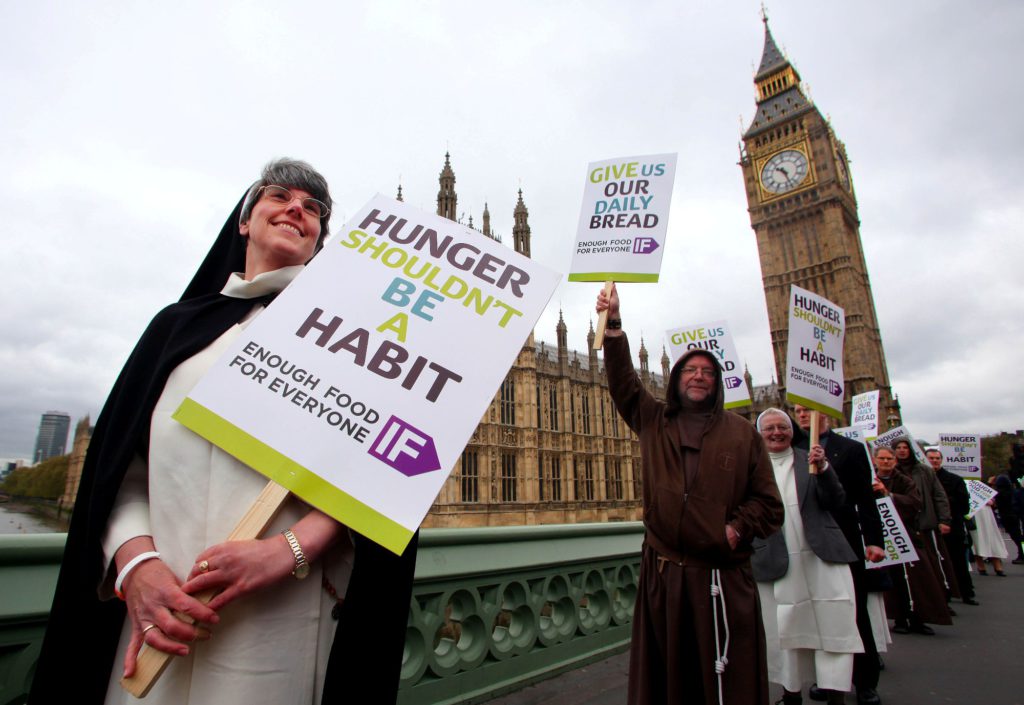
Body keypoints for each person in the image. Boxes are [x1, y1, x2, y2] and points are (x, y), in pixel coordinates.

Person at [31, 159, 418, 704]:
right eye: (279, 196)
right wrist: (136, 566)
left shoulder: (362, 340)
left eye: (313, 209)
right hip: (157, 615)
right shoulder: (178, 326)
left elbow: (382, 472)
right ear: (244, 220)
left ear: (322, 239)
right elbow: (120, 473)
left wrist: (290, 548)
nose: (295, 209)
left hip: (285, 615)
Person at [596, 284, 784, 705]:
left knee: (724, 676)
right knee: (668, 676)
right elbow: (623, 383)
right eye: (689, 371)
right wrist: (613, 324)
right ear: (675, 377)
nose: (698, 377)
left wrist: (736, 530)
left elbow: (769, 506)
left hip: (721, 573)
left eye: (707, 372)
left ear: (718, 383)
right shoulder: (655, 419)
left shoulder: (742, 433)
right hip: (665, 573)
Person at [752, 409, 862, 705]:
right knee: (784, 629)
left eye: (782, 427)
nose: (776, 433)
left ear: (792, 431)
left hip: (821, 558)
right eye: (769, 428)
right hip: (776, 560)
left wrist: (824, 468)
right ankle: (791, 693)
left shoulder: (810, 459)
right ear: (759, 434)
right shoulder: (750, 468)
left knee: (833, 625)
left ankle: (835, 693)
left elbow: (836, 500)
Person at [791, 405, 885, 705]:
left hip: (845, 538)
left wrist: (874, 540)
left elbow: (866, 500)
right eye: (798, 411)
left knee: (854, 611)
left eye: (808, 411)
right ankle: (827, 680)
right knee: (817, 614)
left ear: (827, 414)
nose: (803, 416)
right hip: (807, 541)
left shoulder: (851, 449)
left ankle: (865, 682)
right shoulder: (793, 449)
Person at [871, 445, 951, 635]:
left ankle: (918, 618)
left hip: (905, 532)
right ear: (875, 461)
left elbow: (915, 503)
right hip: (882, 533)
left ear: (895, 461)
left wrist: (889, 495)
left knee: (917, 577)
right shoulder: (870, 480)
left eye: (889, 459)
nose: (885, 462)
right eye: (882, 459)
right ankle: (899, 618)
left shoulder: (905, 481)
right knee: (893, 577)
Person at [891, 438, 958, 603]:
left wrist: (944, 520)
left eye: (905, 447)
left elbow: (939, 496)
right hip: (902, 526)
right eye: (898, 447)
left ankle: (941, 598)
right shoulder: (890, 472)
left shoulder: (924, 470)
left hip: (925, 523)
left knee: (933, 564)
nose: (902, 450)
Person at [925, 449, 978, 605]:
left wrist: (943, 502)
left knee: (959, 562)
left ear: (941, 460)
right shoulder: (922, 479)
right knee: (938, 564)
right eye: (931, 458)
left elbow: (964, 507)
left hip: (953, 528)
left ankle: (966, 593)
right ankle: (943, 596)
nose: (934, 461)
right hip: (931, 528)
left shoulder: (955, 480)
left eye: (937, 458)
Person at [971, 495, 1009, 576]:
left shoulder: (982, 486)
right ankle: (981, 566)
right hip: (974, 512)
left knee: (992, 538)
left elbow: (992, 499)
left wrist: (991, 501)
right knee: (976, 538)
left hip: (986, 513)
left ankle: (997, 565)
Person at [993, 474, 1024, 563]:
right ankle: (1021, 553)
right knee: (1018, 537)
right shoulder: (1014, 491)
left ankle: (1022, 555)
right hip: (1015, 516)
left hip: (1007, 517)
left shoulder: (999, 493)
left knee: (1016, 537)